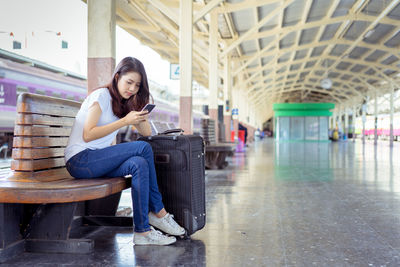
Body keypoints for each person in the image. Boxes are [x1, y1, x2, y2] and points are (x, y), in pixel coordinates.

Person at [64, 57, 185, 246]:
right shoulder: (101, 96)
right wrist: (125, 121)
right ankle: (158, 212)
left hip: (96, 160)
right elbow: (88, 135)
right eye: (129, 82)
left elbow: (146, 134)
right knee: (142, 149)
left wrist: (140, 115)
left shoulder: (123, 102)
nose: (132, 89)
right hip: (80, 160)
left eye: (137, 85)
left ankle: (142, 232)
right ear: (117, 76)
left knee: (139, 163)